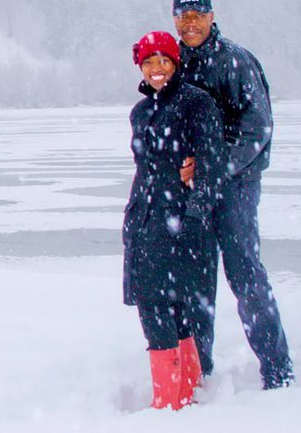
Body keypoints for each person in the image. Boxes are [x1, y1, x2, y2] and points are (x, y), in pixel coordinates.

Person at [171, 0, 295, 389]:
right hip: (192, 192)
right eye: (183, 16)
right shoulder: (174, 66)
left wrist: (212, 168)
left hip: (236, 186)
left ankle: (277, 369)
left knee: (245, 275)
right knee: (195, 281)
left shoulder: (236, 62)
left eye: (197, 15)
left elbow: (257, 129)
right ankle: (199, 370)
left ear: (211, 16)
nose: (190, 24)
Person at [123, 30, 224, 410]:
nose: (156, 69)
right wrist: (133, 220)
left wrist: (196, 215)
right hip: (146, 218)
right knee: (160, 305)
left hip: (182, 220)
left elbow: (211, 164)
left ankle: (171, 402)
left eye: (164, 60)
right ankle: (184, 395)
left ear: (175, 63)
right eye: (149, 62)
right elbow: (142, 169)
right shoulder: (141, 112)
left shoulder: (196, 104)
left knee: (168, 308)